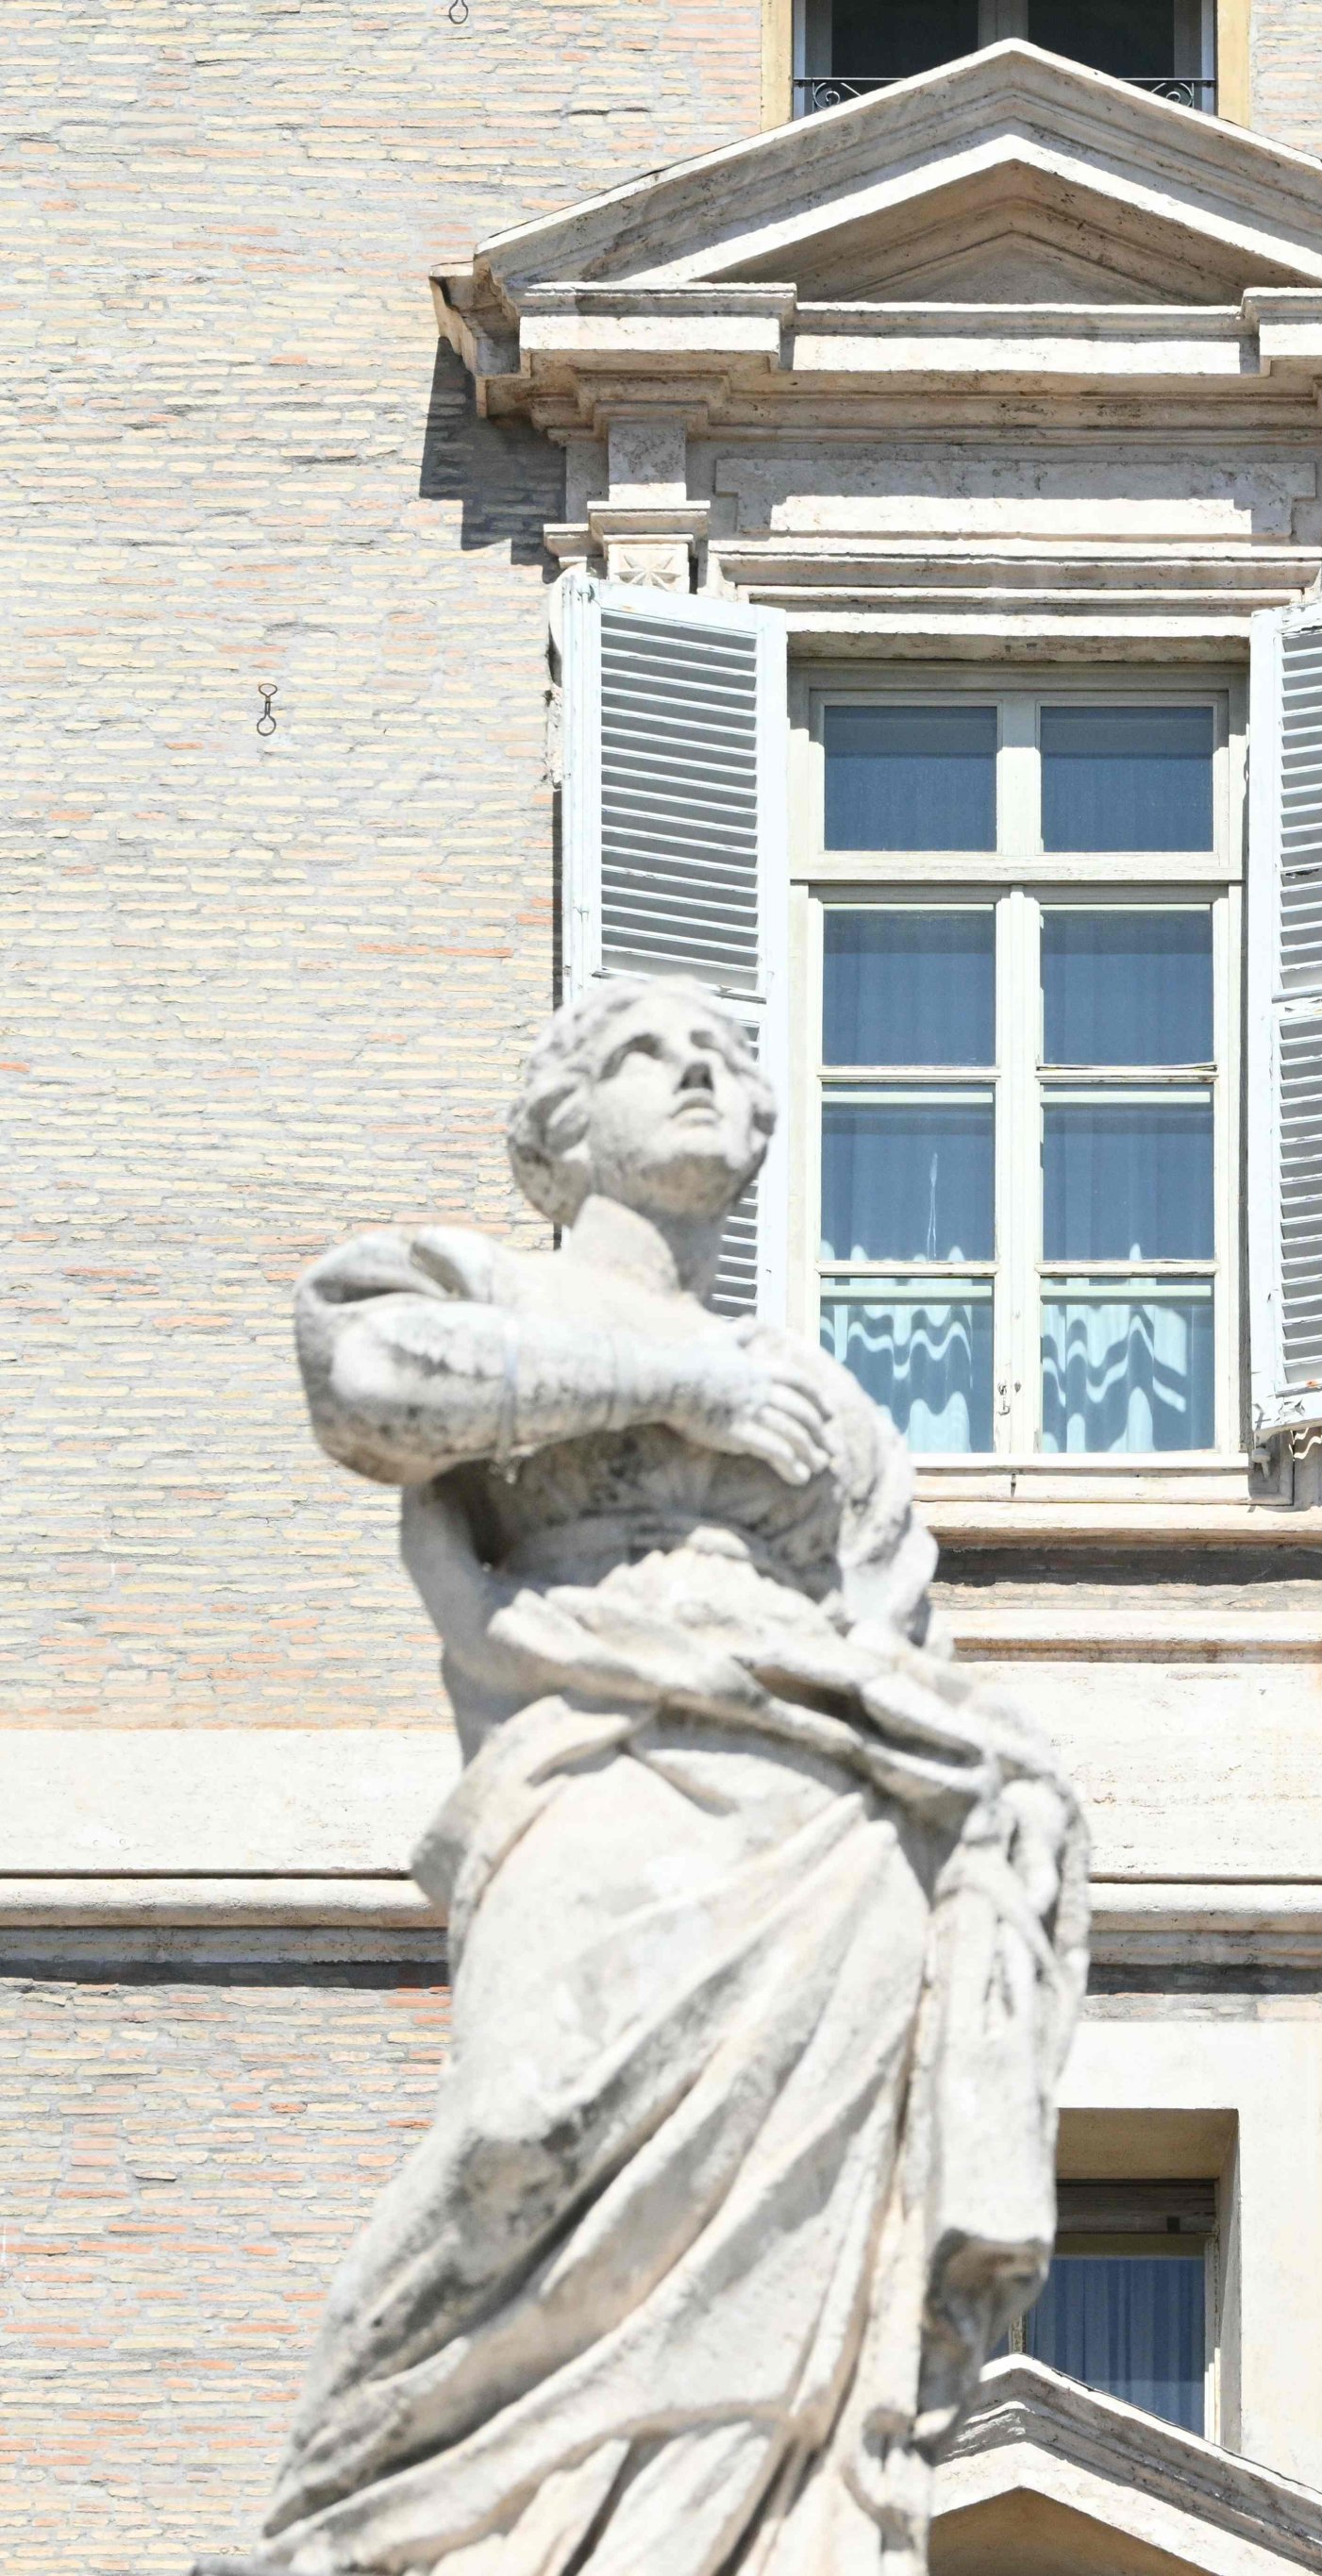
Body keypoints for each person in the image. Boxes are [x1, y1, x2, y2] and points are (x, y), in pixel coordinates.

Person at [247, 978, 1091, 2576]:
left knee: (788, 2247)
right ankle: (374, 2517)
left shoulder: (828, 1397)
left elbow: (885, 1622)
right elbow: (364, 1383)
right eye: (650, 1050)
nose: (702, 1067)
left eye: (730, 1057)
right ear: (569, 1122)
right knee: (524, 2122)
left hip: (828, 1824)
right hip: (593, 1752)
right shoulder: (477, 1283)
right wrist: (677, 1391)